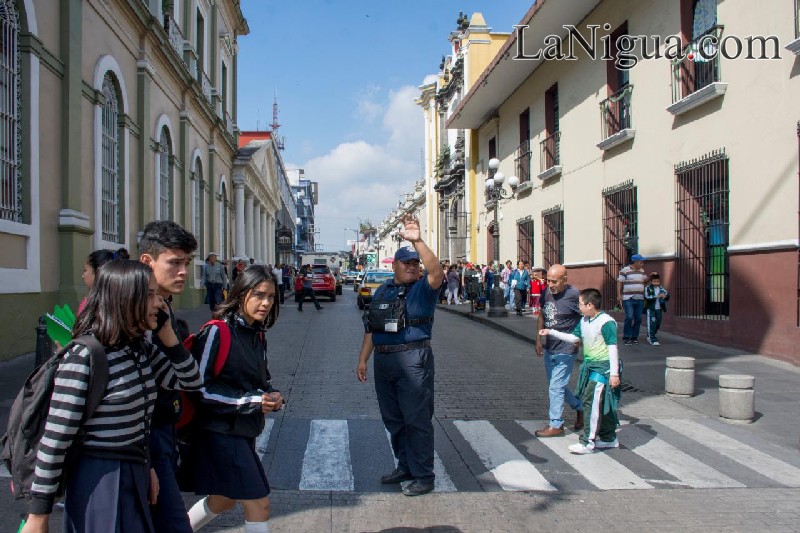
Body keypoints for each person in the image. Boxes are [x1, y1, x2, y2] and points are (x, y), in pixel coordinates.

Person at [21, 260, 202, 533]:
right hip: (99, 478)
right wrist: (39, 515)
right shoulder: (85, 356)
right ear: (125, 299)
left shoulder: (139, 350)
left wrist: (168, 337)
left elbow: (190, 380)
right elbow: (55, 440)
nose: (160, 303)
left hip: (135, 470)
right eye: (150, 295)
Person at [184, 265, 283, 533]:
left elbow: (259, 380)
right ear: (240, 294)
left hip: (243, 430)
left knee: (224, 500)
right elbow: (200, 388)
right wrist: (250, 402)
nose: (266, 303)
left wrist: (271, 395)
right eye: (259, 295)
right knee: (258, 503)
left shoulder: (257, 333)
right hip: (219, 432)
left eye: (271, 297)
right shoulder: (217, 330)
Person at [356, 214, 443, 497]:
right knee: (393, 419)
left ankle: (424, 475)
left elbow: (436, 272)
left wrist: (417, 241)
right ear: (394, 265)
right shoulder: (383, 289)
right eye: (406, 262)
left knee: (416, 419)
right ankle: (405, 466)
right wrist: (362, 359)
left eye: (414, 263)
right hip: (384, 360)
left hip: (412, 359)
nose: (411, 266)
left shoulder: (423, 290)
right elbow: (372, 327)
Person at [138, 220, 198, 533]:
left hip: (163, 431)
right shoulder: (133, 314)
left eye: (186, 263)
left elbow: (188, 378)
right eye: (174, 263)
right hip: (140, 440)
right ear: (147, 261)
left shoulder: (163, 308)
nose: (184, 271)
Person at [539, 288, 621, 454]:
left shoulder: (606, 322)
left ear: (590, 305)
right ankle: (609, 438)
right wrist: (551, 331)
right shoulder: (585, 321)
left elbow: (613, 348)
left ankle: (587, 442)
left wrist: (614, 373)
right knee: (602, 404)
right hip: (591, 366)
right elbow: (574, 338)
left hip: (603, 368)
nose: (579, 307)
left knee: (592, 402)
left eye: (581, 304)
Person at [534, 264, 584, 437]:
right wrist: (538, 338)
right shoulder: (546, 292)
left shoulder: (574, 295)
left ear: (565, 280)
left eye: (554, 281)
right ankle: (580, 407)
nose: (551, 285)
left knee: (556, 387)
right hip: (550, 347)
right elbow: (542, 314)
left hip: (566, 349)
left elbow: (587, 317)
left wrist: (580, 337)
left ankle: (556, 424)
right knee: (557, 386)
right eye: (548, 280)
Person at [617, 254, 648, 345]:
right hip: (628, 298)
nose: (642, 264)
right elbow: (619, 282)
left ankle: (634, 337)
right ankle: (626, 336)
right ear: (636, 262)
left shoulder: (642, 271)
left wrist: (650, 277)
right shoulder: (625, 270)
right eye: (641, 262)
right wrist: (619, 294)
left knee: (638, 318)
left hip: (639, 298)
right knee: (629, 317)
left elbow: (645, 281)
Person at [78, 249, 116, 314]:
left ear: (97, 273)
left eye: (85, 270)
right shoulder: (118, 302)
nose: (83, 276)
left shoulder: (89, 306)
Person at [644, 272, 670, 346]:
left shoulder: (661, 288)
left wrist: (665, 296)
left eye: (657, 281)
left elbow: (667, 294)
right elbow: (647, 297)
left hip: (659, 309)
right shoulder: (647, 288)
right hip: (651, 309)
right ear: (651, 281)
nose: (656, 283)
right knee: (652, 323)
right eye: (654, 281)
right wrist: (656, 297)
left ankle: (651, 334)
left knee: (658, 324)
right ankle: (652, 338)